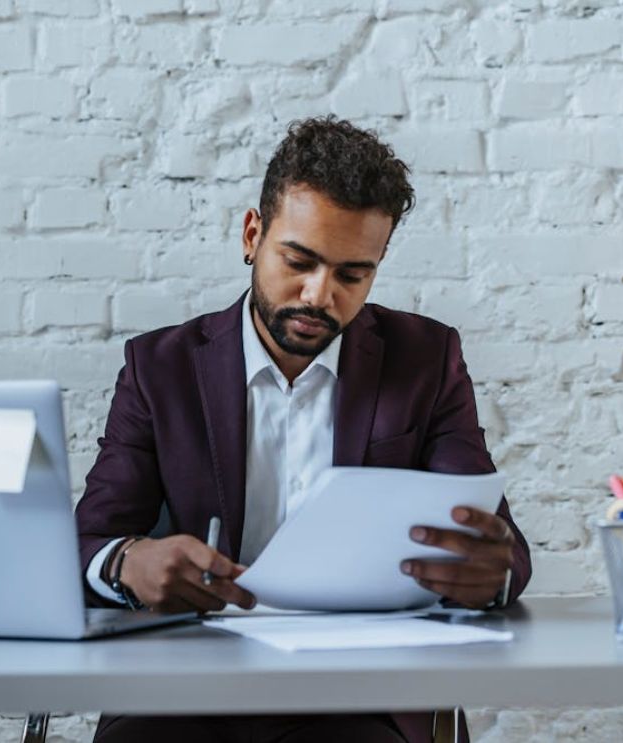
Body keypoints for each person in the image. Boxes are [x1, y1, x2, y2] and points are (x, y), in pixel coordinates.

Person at [75, 116, 531, 743]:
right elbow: (87, 541)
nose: (320, 296)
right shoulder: (162, 368)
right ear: (252, 234)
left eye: (352, 275)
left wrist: (491, 575)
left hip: (358, 698)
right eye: (300, 261)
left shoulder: (426, 360)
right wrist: (129, 561)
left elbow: (501, 548)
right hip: (185, 688)